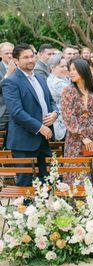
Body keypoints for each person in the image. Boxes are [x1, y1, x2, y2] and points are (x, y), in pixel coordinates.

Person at [2, 44, 58, 186]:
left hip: (43, 140)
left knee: (47, 182)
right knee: (25, 185)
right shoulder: (11, 81)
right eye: (25, 57)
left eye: (32, 56)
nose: (30, 60)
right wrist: (40, 127)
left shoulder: (40, 78)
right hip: (24, 142)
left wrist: (55, 114)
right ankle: (24, 209)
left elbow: (51, 100)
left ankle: (47, 208)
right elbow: (16, 112)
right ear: (16, 61)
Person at [61, 58, 93, 183]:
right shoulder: (68, 91)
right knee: (77, 175)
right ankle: (77, 202)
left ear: (83, 71)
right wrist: (82, 137)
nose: (71, 72)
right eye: (70, 70)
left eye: (74, 70)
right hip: (75, 139)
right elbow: (68, 116)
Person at [46, 54, 70, 141]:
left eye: (66, 66)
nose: (66, 69)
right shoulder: (57, 83)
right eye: (62, 66)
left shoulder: (62, 79)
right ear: (52, 67)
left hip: (64, 122)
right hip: (62, 124)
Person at [0, 42, 16, 132]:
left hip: (18, 112)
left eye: (11, 53)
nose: (10, 56)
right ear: (0, 55)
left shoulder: (20, 67)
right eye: (6, 53)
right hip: (2, 112)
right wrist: (8, 74)